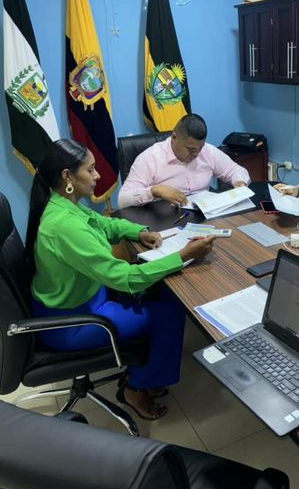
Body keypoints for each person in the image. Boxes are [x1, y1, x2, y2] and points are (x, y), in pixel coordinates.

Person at [25, 139, 215, 421]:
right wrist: (183, 255)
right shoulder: (63, 225)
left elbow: (105, 224)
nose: (98, 176)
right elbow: (124, 278)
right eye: (90, 170)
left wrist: (138, 232)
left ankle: (148, 370)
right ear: (67, 176)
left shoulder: (63, 204)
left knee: (162, 293)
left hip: (85, 296)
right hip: (72, 321)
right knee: (169, 313)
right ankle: (136, 387)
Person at [118, 114, 251, 208]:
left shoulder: (207, 151)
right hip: (164, 218)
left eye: (200, 148)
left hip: (204, 214)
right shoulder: (150, 158)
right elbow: (122, 200)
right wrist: (154, 190)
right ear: (174, 137)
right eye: (191, 150)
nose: (196, 154)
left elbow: (235, 170)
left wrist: (239, 183)